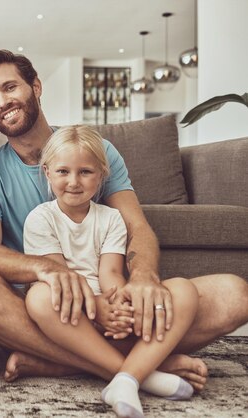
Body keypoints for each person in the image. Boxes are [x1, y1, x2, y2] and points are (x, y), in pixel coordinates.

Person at [0, 49, 248, 389]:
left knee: (234, 294)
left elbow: (135, 225)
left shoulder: (96, 150)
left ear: (36, 87)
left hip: (112, 298)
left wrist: (144, 277)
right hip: (38, 311)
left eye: (10, 87)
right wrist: (47, 269)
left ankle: (59, 363)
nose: (3, 101)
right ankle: (133, 370)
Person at [24, 125, 197, 417]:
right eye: (63, 172)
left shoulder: (112, 218)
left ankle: (124, 378)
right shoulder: (41, 218)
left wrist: (117, 303)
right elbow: (62, 277)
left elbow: (112, 273)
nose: (74, 182)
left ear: (102, 174)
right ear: (47, 172)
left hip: (105, 302)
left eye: (86, 172)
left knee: (184, 289)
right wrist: (96, 310)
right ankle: (137, 376)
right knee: (39, 296)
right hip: (69, 309)